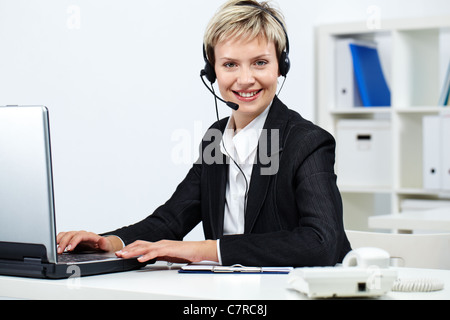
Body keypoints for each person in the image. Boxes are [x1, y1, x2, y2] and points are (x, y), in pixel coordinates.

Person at [57, 0, 351, 267]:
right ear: (212, 72)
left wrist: (207, 250)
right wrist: (108, 243)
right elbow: (171, 219)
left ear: (280, 67)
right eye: (230, 65)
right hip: (226, 292)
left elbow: (321, 243)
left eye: (260, 62)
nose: (245, 79)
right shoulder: (216, 137)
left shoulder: (308, 142)